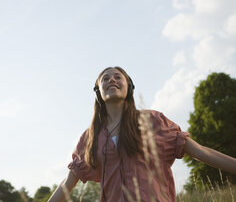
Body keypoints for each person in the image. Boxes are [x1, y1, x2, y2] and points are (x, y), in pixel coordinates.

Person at [48, 66, 236, 202]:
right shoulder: (90, 138)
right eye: (105, 78)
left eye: (117, 77)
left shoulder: (153, 121)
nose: (111, 80)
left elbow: (201, 151)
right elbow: (68, 182)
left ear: (129, 87)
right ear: (98, 92)